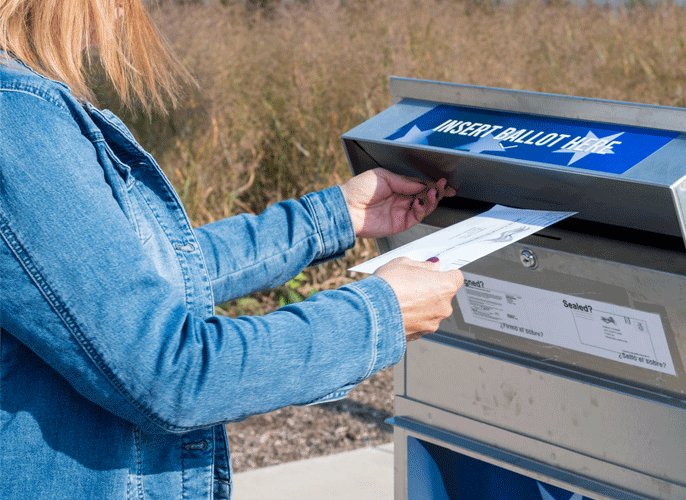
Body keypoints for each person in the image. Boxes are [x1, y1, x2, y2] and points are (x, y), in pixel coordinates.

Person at [0, 1, 464, 498]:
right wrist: (377, 315)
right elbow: (172, 375)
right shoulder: (20, 124)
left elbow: (144, 271)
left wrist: (331, 219)